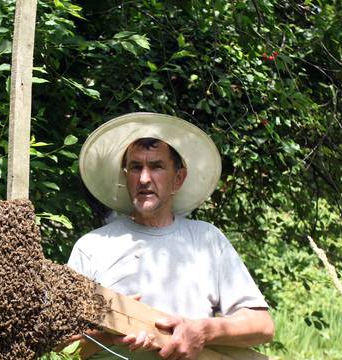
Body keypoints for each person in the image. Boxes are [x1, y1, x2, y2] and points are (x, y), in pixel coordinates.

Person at [67, 113, 274, 360]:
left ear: (178, 179)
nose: (144, 178)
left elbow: (262, 325)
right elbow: (62, 344)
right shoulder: (92, 247)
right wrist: (111, 333)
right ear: (125, 176)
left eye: (156, 166)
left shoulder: (207, 239)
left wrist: (203, 331)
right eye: (135, 167)